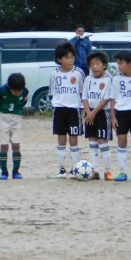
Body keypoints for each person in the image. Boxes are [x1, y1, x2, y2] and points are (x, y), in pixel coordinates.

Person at [49, 42, 84, 178]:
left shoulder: (79, 73)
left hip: (74, 110)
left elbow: (82, 92)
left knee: (74, 139)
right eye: (67, 58)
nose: (70, 60)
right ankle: (62, 169)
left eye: (72, 57)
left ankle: (75, 168)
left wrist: (84, 109)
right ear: (59, 59)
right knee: (61, 138)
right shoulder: (54, 74)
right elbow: (52, 92)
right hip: (59, 109)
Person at [0, 73, 29, 180]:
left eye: (19, 91)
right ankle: (4, 171)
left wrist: (18, 107)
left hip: (17, 117)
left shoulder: (25, 91)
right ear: (10, 87)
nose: (18, 93)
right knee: (4, 145)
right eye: (15, 91)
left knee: (16, 144)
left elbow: (23, 101)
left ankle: (16, 171)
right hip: (3, 117)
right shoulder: (1, 91)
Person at [110, 51, 131, 182]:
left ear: (130, 63)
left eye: (121, 63)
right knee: (121, 140)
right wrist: (113, 117)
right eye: (118, 63)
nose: (119, 66)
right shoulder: (116, 79)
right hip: (121, 113)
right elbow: (112, 99)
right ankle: (122, 171)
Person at [81, 51, 113, 180]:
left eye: (97, 64)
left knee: (103, 141)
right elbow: (84, 97)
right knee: (92, 141)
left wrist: (93, 113)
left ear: (104, 65)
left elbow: (106, 98)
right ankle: (95, 171)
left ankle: (108, 171)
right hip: (89, 113)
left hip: (102, 113)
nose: (94, 67)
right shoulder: (88, 79)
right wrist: (88, 112)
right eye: (92, 64)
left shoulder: (109, 79)